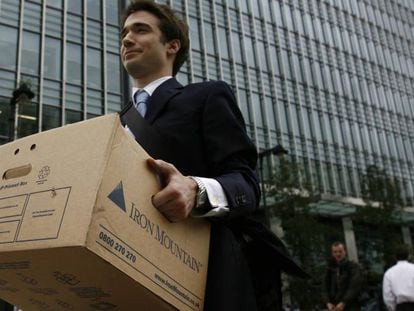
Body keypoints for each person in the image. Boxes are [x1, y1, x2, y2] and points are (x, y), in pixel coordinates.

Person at [119, 1, 261, 310]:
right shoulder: (113, 125)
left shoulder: (207, 96)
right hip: (125, 277)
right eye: (125, 32)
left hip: (198, 281)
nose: (127, 39)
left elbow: (248, 185)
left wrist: (195, 189)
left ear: (172, 45)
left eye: (140, 30)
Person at [323, 241, 363, 311]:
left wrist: (344, 302)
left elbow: (354, 286)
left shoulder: (353, 267)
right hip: (333, 307)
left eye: (340, 251)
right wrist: (328, 302)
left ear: (345, 252)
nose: (338, 254)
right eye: (335, 252)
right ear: (332, 253)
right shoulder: (329, 268)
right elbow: (324, 286)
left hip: (350, 306)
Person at [382, 244, 414, 311]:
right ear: (409, 256)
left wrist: (393, 308)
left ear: (395, 257)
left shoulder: (389, 273)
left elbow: (388, 297)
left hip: (401, 307)